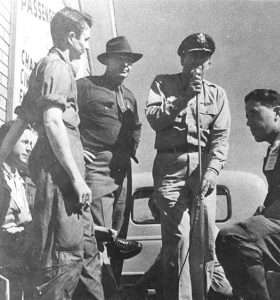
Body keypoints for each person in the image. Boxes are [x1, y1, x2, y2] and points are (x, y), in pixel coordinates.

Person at [0, 7, 104, 299]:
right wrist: (77, 178)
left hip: (62, 174)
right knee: (63, 257)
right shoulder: (57, 68)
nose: (86, 46)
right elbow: (53, 121)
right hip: (61, 179)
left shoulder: (45, 69)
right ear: (71, 37)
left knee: (83, 255)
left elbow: (20, 123)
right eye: (84, 39)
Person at [145, 33, 231, 299]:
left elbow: (221, 138)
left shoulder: (217, 94)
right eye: (193, 56)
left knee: (203, 244)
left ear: (209, 64)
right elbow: (154, 118)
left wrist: (212, 171)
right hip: (171, 167)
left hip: (203, 170)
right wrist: (182, 98)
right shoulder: (163, 83)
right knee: (178, 241)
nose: (198, 64)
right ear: (182, 57)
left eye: (204, 59)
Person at [216, 89, 280, 300]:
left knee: (232, 237)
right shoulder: (278, 147)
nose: (248, 122)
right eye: (247, 116)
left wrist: (256, 222)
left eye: (254, 113)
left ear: (277, 112)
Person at [77, 35, 142, 234]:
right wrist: (76, 148)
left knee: (118, 230)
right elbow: (61, 116)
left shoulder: (130, 97)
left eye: (129, 61)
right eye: (120, 59)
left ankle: (112, 267)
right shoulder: (86, 86)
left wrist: (130, 152)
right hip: (96, 165)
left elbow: (136, 128)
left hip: (122, 169)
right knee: (98, 231)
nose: (126, 64)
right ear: (107, 61)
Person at [0, 121, 36, 300]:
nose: (30, 149)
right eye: (25, 142)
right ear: (9, 140)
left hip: (21, 253)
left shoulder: (23, 179)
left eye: (31, 144)